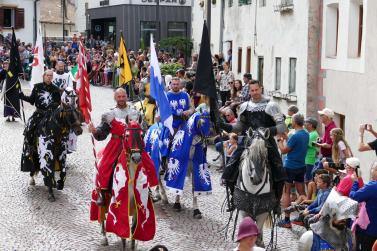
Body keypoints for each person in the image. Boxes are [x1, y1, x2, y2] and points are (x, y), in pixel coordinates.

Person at [219, 80, 287, 237]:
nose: (255, 92)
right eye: (252, 90)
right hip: (248, 141)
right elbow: (239, 127)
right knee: (231, 167)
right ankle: (232, 198)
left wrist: (266, 130)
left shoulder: (272, 105)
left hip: (267, 143)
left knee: (279, 170)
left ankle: (276, 203)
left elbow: (282, 127)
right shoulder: (245, 106)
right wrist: (224, 125)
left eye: (257, 90)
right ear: (249, 91)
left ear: (261, 89)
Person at [88, 88, 139, 205]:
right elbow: (102, 132)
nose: (121, 99)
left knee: (146, 165)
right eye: (119, 97)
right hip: (116, 145)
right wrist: (95, 131)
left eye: (123, 96)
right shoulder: (110, 114)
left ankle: (149, 190)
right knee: (103, 166)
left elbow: (142, 129)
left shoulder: (135, 113)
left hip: (132, 144)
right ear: (115, 98)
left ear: (126, 97)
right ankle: (102, 192)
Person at [19, 70, 61, 173]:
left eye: (51, 75)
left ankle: (59, 155)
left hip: (50, 116)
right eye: (47, 75)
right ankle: (29, 150)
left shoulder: (56, 89)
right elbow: (32, 101)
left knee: (60, 132)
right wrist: (21, 96)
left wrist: (52, 107)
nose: (49, 77)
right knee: (29, 130)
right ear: (44, 76)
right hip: (38, 115)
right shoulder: (37, 87)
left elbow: (58, 103)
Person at [277, 113, 309, 228]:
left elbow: (284, 150)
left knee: (286, 192)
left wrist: (279, 141)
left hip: (290, 166)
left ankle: (286, 220)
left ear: (294, 122)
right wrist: (287, 138)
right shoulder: (305, 134)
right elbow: (295, 144)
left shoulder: (295, 136)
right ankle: (303, 217)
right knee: (302, 193)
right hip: (301, 166)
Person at [349, 161, 377, 251]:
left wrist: (355, 182)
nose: (371, 171)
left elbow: (354, 197)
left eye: (372, 168)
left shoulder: (372, 186)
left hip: (369, 231)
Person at [304, 117, 319, 184]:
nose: (304, 124)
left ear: (310, 125)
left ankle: (309, 194)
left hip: (309, 159)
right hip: (308, 158)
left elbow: (304, 145)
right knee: (307, 179)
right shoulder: (311, 133)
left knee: (307, 180)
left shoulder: (313, 134)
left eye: (306, 122)